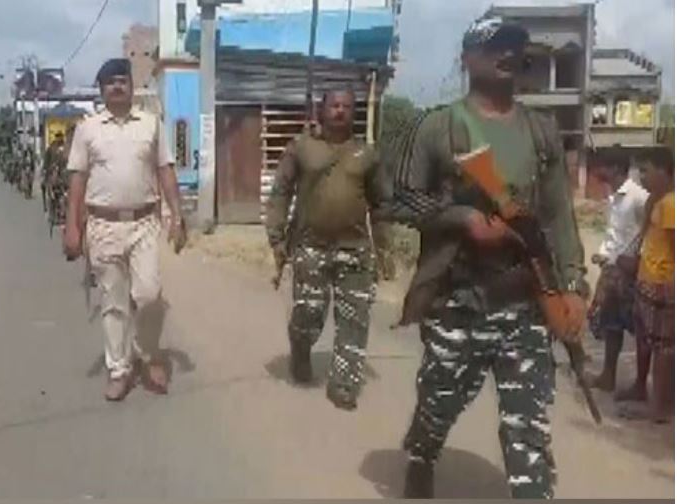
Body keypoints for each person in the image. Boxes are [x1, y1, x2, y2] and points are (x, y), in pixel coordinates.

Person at [384, 15, 588, 498]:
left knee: (529, 431)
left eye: (516, 45)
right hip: (458, 299)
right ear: (467, 58)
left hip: (525, 303)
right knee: (439, 401)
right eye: (495, 44)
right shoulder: (438, 126)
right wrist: (463, 221)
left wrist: (574, 284)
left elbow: (559, 215)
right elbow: (398, 199)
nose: (508, 53)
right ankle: (424, 452)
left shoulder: (541, 131)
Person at [63, 58, 187, 402]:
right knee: (114, 302)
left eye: (123, 81)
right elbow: (78, 179)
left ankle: (145, 353)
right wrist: (72, 226)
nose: (117, 87)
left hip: (145, 223)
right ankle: (119, 369)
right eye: (110, 82)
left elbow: (165, 170)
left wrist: (177, 216)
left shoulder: (151, 124)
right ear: (102, 91)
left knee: (148, 294)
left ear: (132, 87)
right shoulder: (87, 129)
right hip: (102, 224)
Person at [264, 88, 387, 411]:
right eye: (334, 105)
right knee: (309, 313)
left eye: (347, 106)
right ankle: (301, 348)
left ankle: (344, 385)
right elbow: (280, 193)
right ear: (322, 109)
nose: (340, 111)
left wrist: (385, 249)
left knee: (354, 320)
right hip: (310, 246)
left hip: (356, 249)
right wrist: (276, 239)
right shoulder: (301, 147)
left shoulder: (367, 154)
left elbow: (381, 205)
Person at [617, 147, 674, 423]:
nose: (642, 176)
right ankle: (641, 387)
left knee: (663, 347)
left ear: (665, 171)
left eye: (647, 170)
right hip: (646, 280)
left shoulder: (672, 204)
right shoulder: (657, 202)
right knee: (644, 339)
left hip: (663, 285)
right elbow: (646, 239)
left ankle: (661, 407)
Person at [586, 147, 649, 392]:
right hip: (612, 271)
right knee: (611, 325)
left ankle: (641, 385)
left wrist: (636, 260)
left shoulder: (638, 197)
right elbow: (615, 235)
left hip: (631, 273)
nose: (597, 171)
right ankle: (607, 376)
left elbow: (648, 234)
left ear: (614, 168)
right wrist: (603, 254)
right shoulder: (614, 197)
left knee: (641, 329)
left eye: (601, 166)